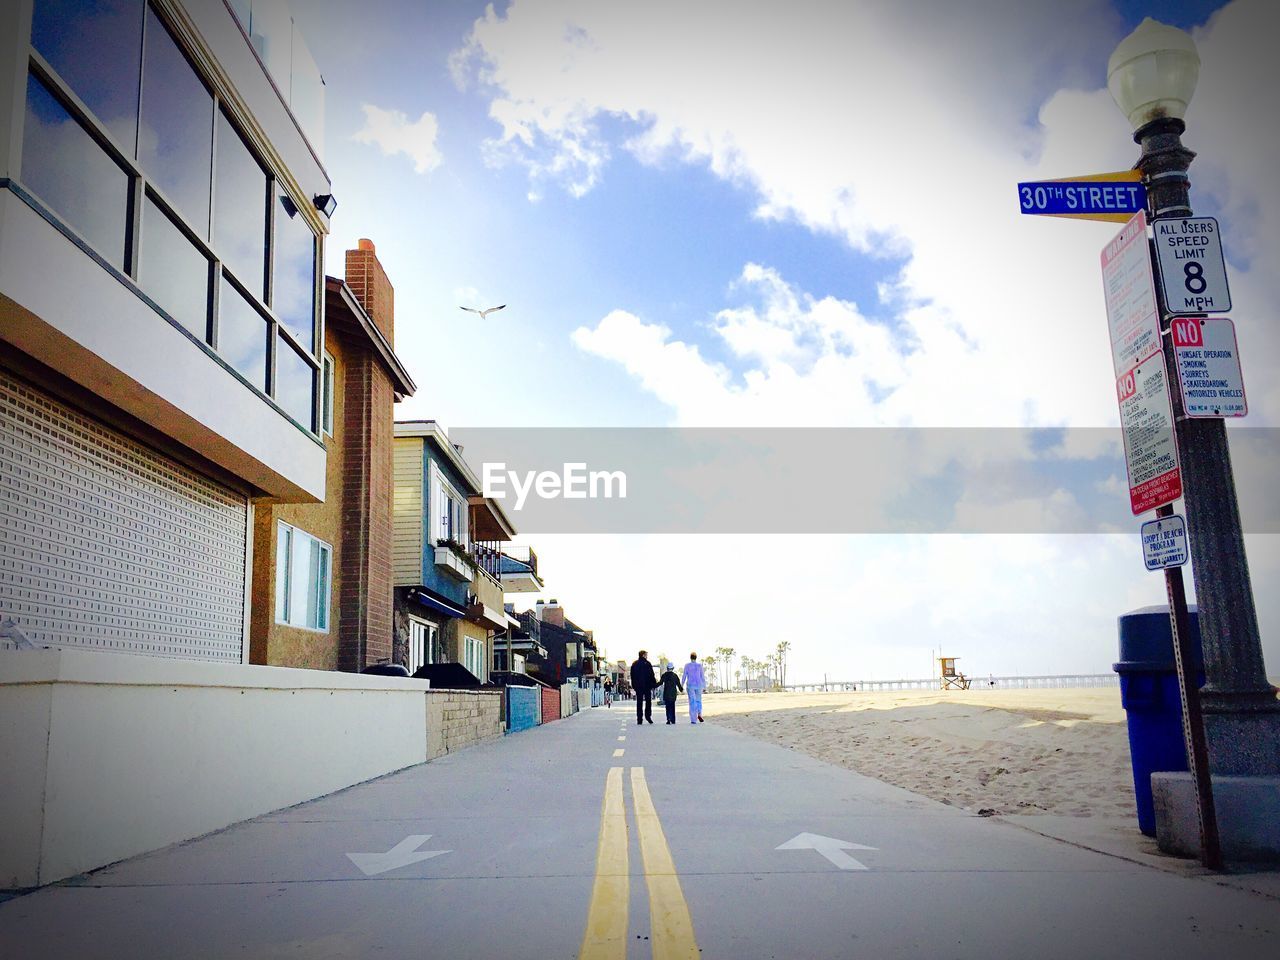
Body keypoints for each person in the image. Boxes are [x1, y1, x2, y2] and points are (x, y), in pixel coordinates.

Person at [630, 651, 658, 725]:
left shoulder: (634, 664)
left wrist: (634, 685)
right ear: (643, 655)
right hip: (647, 686)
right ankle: (648, 716)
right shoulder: (648, 664)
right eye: (646, 655)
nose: (647, 656)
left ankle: (639, 719)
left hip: (638, 686)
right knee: (648, 701)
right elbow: (652, 675)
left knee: (639, 702)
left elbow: (632, 676)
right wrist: (654, 684)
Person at [681, 652, 705, 724]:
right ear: (696, 657)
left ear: (690, 657)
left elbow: (684, 675)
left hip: (690, 685)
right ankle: (699, 714)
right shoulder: (699, 666)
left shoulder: (687, 665)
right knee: (698, 700)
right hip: (699, 685)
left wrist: (681, 685)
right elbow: (702, 676)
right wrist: (704, 686)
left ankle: (693, 719)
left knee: (692, 702)